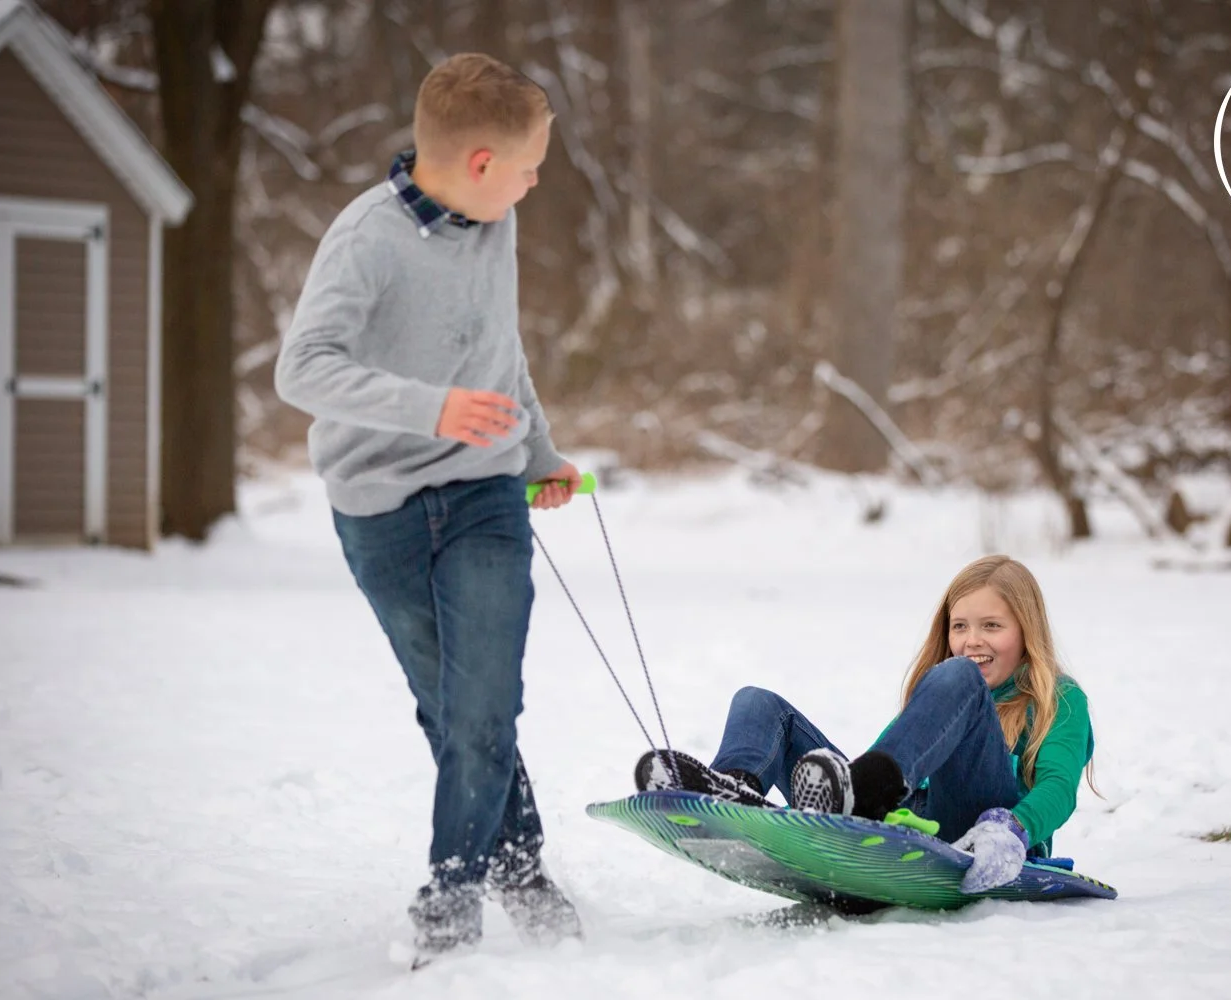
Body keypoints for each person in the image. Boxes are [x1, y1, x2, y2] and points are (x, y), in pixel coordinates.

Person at [275, 52, 583, 952]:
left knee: (486, 704)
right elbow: (303, 369)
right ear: (481, 163)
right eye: (528, 169)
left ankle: (450, 898)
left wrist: (537, 451)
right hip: (380, 510)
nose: (533, 186)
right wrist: (430, 405)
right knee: (450, 710)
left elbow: (499, 348)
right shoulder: (366, 240)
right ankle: (518, 865)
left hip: (485, 492)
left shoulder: (495, 226)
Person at [636, 555, 1096, 893]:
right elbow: (883, 762)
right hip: (912, 817)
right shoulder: (941, 688)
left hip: (981, 830)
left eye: (992, 626)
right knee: (757, 703)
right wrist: (854, 792)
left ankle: (862, 796)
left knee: (956, 679)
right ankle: (730, 789)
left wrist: (1013, 829)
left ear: (1026, 630)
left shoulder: (1057, 699)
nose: (971, 640)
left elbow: (1059, 786)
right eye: (960, 627)